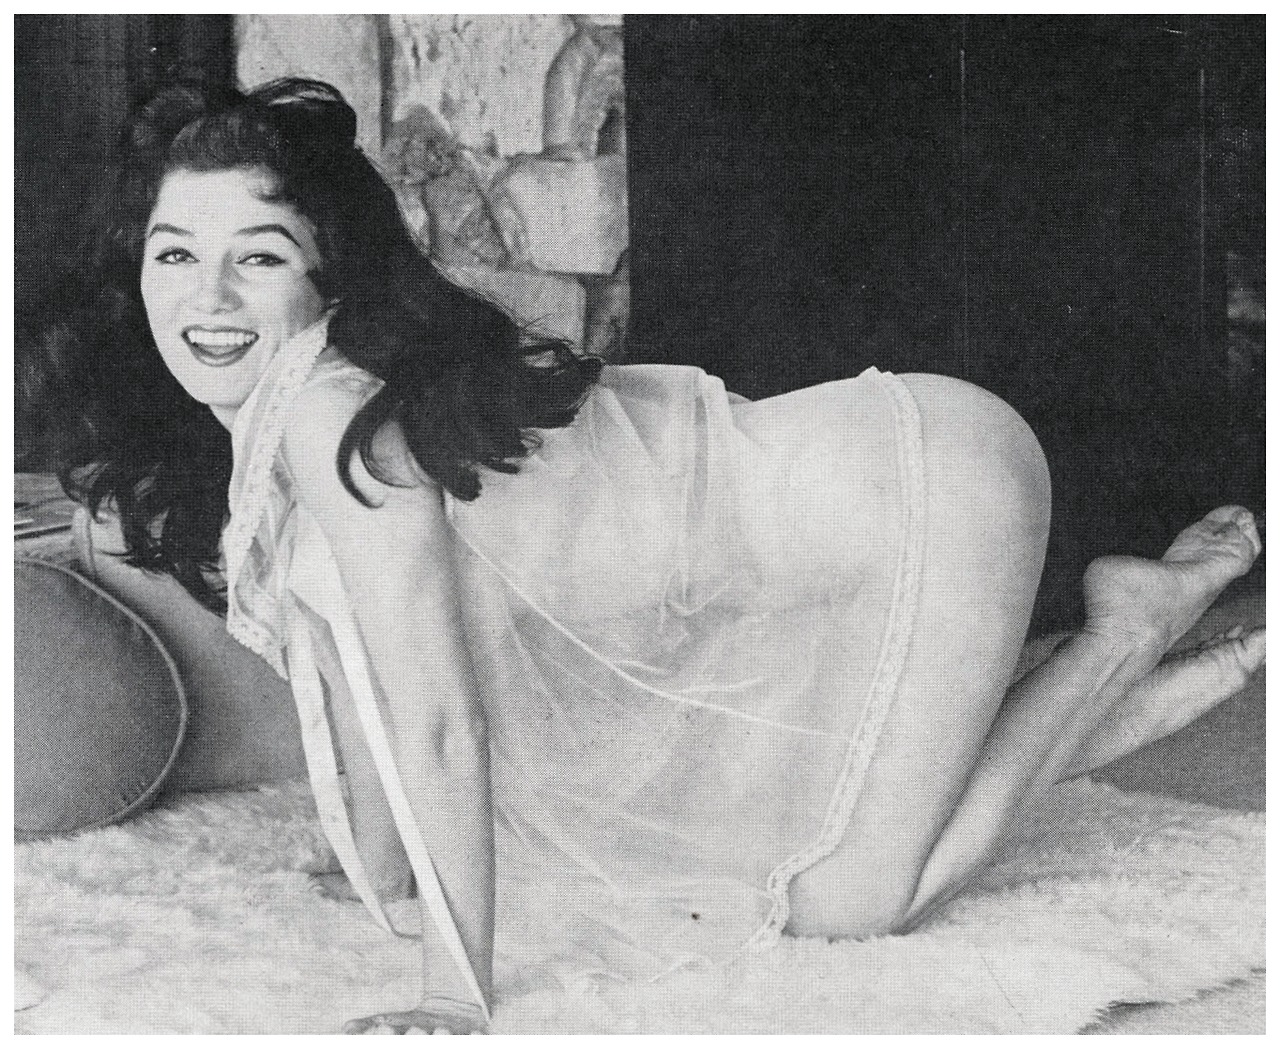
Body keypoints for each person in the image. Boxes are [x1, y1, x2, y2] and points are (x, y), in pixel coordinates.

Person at [40, 78, 1264, 1035]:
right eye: (174, 252)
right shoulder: (287, 411)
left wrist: (455, 990)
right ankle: (1085, 657)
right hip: (845, 527)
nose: (208, 295)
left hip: (938, 485)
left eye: (256, 254)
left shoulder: (329, 409)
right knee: (775, 839)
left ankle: (1120, 633)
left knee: (850, 900)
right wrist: (376, 858)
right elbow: (357, 660)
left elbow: (439, 718)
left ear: (325, 276)